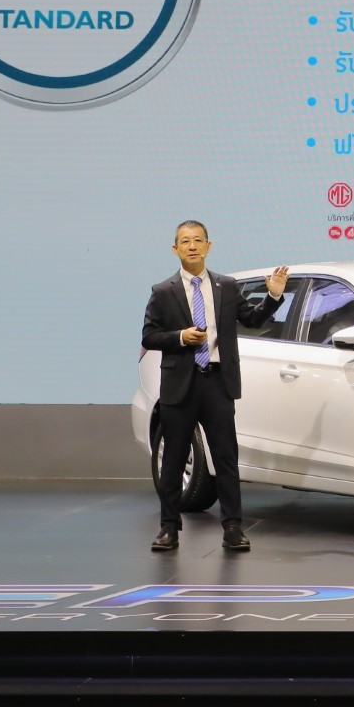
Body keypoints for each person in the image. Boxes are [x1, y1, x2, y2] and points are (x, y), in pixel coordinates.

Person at [142, 221, 288, 552]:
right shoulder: (162, 291)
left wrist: (274, 295)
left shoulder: (227, 286)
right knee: (173, 459)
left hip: (217, 381)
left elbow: (252, 319)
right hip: (180, 383)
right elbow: (149, 336)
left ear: (209, 246)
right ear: (175, 249)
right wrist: (181, 337)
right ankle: (169, 527)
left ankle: (233, 527)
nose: (192, 246)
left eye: (198, 240)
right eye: (185, 241)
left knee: (225, 457)